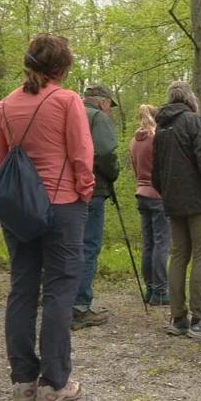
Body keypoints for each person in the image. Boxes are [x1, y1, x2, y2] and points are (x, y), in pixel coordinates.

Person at [0, 34, 94, 400]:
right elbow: (81, 154)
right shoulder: (67, 100)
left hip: (20, 209)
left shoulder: (4, 105)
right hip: (63, 205)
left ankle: (23, 379)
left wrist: (8, 203)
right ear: (62, 67)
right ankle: (55, 382)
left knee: (22, 288)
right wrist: (85, 190)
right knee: (59, 290)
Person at [153, 81, 201, 340]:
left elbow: (156, 172)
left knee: (178, 255)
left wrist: (167, 192)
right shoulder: (194, 122)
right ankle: (200, 318)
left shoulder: (161, 128)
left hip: (173, 200)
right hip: (199, 200)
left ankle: (178, 318)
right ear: (190, 98)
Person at [71, 84, 120, 331]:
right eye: (110, 105)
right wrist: (113, 174)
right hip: (92, 188)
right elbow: (105, 152)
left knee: (66, 246)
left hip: (63, 190)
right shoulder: (98, 117)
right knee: (88, 247)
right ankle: (79, 307)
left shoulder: (68, 112)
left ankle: (58, 300)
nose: (110, 110)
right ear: (102, 101)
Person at [130, 104, 171, 306]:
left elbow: (135, 169)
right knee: (162, 243)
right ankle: (161, 291)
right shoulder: (157, 139)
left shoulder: (134, 141)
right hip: (157, 195)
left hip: (141, 193)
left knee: (148, 244)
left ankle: (150, 288)